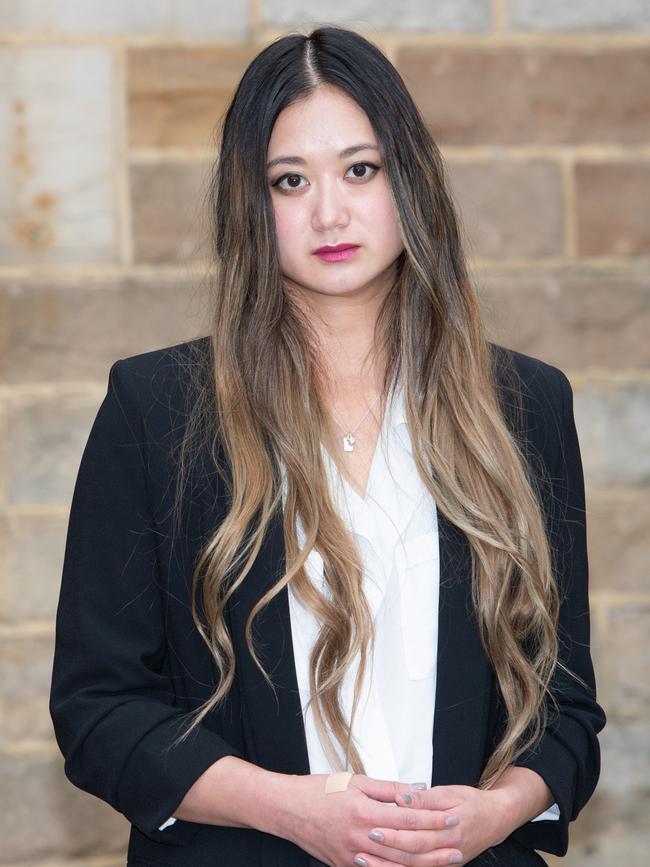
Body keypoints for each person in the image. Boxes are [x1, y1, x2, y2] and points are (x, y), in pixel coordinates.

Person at [49, 25, 605, 867]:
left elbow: (566, 706)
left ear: (407, 179)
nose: (330, 212)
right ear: (251, 201)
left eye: (359, 169)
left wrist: (496, 812)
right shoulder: (156, 409)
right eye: (289, 180)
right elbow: (99, 710)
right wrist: (288, 809)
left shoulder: (524, 406)